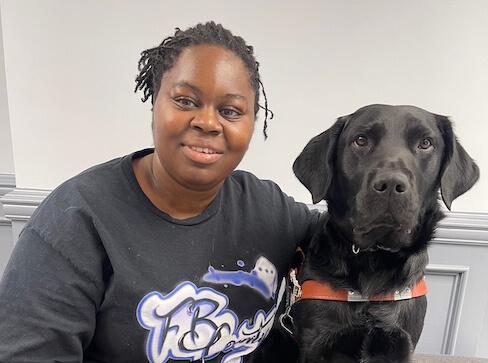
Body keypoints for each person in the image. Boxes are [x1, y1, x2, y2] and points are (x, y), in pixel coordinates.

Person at [0, 21, 319, 362]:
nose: (208, 123)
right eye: (185, 101)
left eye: (230, 111)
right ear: (155, 104)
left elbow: (351, 236)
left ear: (252, 123)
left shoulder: (269, 210)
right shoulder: (76, 221)